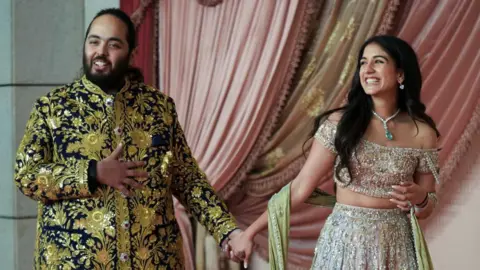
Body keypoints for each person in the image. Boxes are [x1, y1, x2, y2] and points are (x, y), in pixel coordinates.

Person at [14, 8, 249, 269]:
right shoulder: (52, 108)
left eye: (113, 44)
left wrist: (228, 231)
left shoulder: (158, 108)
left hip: (154, 262)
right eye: (94, 41)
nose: (101, 52)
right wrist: (93, 172)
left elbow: (188, 179)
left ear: (131, 53)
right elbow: (26, 175)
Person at [229, 35, 440, 269]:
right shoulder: (341, 124)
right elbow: (300, 188)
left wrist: (420, 197)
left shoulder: (423, 133)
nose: (367, 69)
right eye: (363, 63)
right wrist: (249, 233)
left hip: (397, 248)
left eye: (378, 61)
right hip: (345, 243)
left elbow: (427, 204)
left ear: (400, 74)